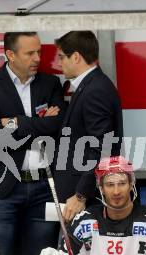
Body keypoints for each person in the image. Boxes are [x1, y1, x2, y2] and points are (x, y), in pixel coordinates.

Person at [0, 31, 66, 255]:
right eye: (30, 53)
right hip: (1, 188)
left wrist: (15, 122)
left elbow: (58, 126)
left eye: (39, 52)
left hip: (44, 186)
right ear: (10, 54)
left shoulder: (51, 84)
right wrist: (39, 123)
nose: (37, 58)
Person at [45, 156, 146, 255]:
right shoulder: (82, 222)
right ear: (101, 188)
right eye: (110, 184)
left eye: (122, 183)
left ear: (131, 184)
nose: (116, 191)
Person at [53, 31, 123, 223]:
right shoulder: (90, 86)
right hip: (77, 199)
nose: (59, 63)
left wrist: (81, 195)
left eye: (61, 57)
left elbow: (101, 149)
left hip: (85, 201)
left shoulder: (95, 90)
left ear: (75, 56)